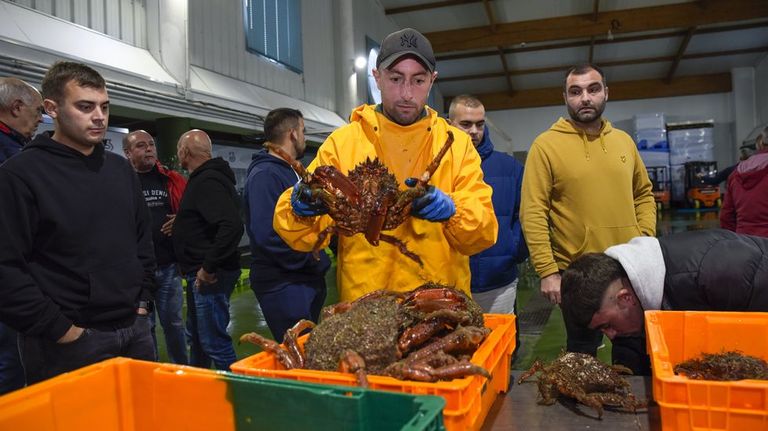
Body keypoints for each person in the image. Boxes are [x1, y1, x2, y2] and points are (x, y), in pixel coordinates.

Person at [273, 28, 497, 302]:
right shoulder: (342, 143)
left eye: (418, 80)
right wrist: (300, 208)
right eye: (395, 78)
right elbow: (302, 237)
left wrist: (453, 210)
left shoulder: (456, 144)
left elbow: (483, 232)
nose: (406, 93)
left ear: (432, 81)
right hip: (365, 305)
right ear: (377, 78)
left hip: (439, 302)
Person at [0, 61, 156, 385]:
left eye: (104, 106)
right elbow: (6, 267)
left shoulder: (121, 170)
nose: (99, 116)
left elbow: (143, 241)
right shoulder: (20, 175)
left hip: (135, 330)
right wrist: (62, 331)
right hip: (68, 343)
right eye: (85, 107)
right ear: (52, 109)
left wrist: (142, 304)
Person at [520, 63, 656, 362]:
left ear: (606, 92)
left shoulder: (624, 142)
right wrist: (548, 271)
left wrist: (643, 238)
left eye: (593, 89)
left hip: (629, 271)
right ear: (565, 97)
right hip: (577, 277)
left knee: (635, 351)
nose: (585, 98)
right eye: (575, 91)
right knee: (583, 354)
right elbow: (533, 212)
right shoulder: (546, 146)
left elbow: (644, 194)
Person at [560, 229, 768, 373]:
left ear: (626, 298)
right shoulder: (630, 302)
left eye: (607, 326)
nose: (610, 335)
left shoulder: (720, 270)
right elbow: (631, 354)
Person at [244, 108, 330, 342]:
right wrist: (311, 258)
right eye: (303, 131)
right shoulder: (265, 175)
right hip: (285, 284)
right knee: (298, 353)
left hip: (300, 280)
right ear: (292, 134)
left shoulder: (289, 173)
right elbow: (266, 235)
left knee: (309, 348)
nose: (305, 138)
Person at [447, 95, 527, 315]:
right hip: (449, 283)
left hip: (499, 282)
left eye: (479, 124)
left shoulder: (510, 167)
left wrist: (512, 251)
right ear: (449, 123)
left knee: (501, 345)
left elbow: (523, 216)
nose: (474, 131)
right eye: (466, 124)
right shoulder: (438, 166)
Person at [173, 129, 243, 370]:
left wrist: (208, 267)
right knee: (200, 340)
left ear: (185, 152)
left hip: (210, 275)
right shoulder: (209, 178)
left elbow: (231, 225)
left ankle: (239, 396)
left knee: (213, 342)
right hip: (205, 272)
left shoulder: (207, 180)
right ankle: (198, 386)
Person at [123, 130, 189, 364]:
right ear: (128, 153)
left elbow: (189, 213)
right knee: (144, 326)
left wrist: (180, 221)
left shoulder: (168, 179)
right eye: (141, 146)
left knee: (174, 324)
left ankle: (182, 371)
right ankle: (149, 374)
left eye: (151, 144)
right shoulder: (122, 181)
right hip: (139, 273)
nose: (149, 149)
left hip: (169, 266)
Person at [0, 77, 43, 394]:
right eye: (38, 110)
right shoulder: (13, 159)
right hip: (10, 282)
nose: (41, 118)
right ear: (16, 107)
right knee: (10, 366)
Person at [720, 127, 768, 237]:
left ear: (760, 143)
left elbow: (726, 217)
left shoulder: (735, 174)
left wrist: (736, 242)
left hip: (746, 243)